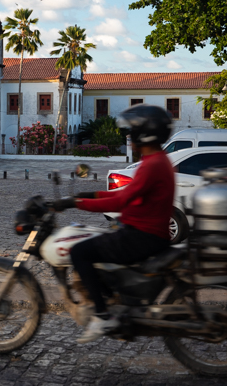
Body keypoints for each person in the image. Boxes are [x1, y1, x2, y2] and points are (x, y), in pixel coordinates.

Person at [53, 104, 176, 343]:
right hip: (145, 233)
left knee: (80, 251)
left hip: (143, 236)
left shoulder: (153, 165)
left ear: (144, 134)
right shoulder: (157, 160)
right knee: (95, 245)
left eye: (131, 133)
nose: (129, 138)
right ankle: (113, 300)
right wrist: (90, 195)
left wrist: (76, 203)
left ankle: (102, 315)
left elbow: (122, 201)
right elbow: (129, 194)